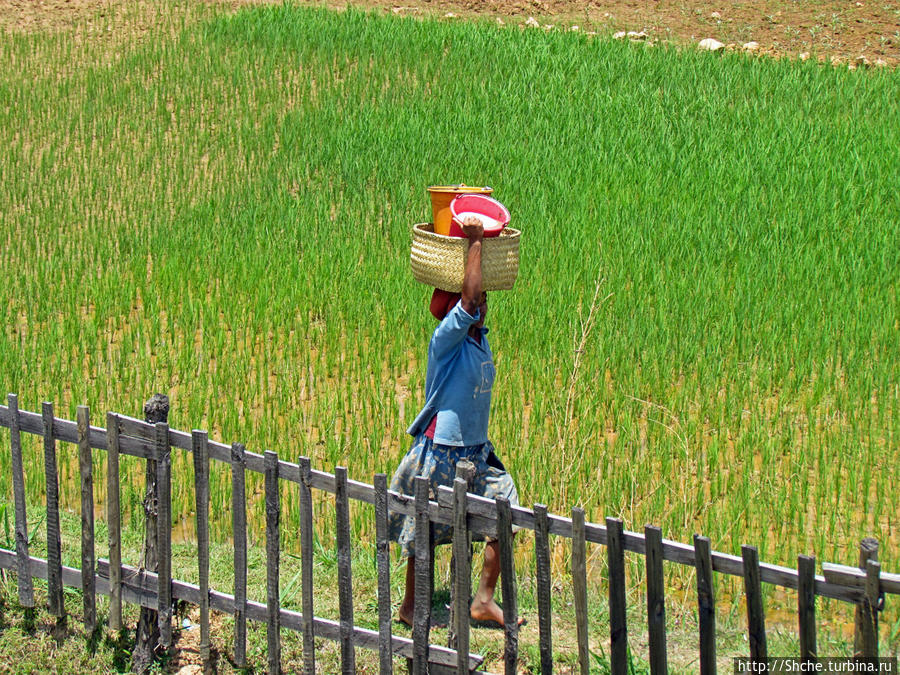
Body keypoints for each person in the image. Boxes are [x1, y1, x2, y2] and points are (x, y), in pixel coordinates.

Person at [389, 215, 520, 628]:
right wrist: (476, 243)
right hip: (440, 450)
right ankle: (412, 606)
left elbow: (473, 301)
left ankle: (482, 600)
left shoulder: (481, 340)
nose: (482, 304)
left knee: (506, 511)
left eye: (482, 302)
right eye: (476, 301)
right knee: (425, 529)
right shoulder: (446, 338)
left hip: (477, 451)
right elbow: (467, 299)